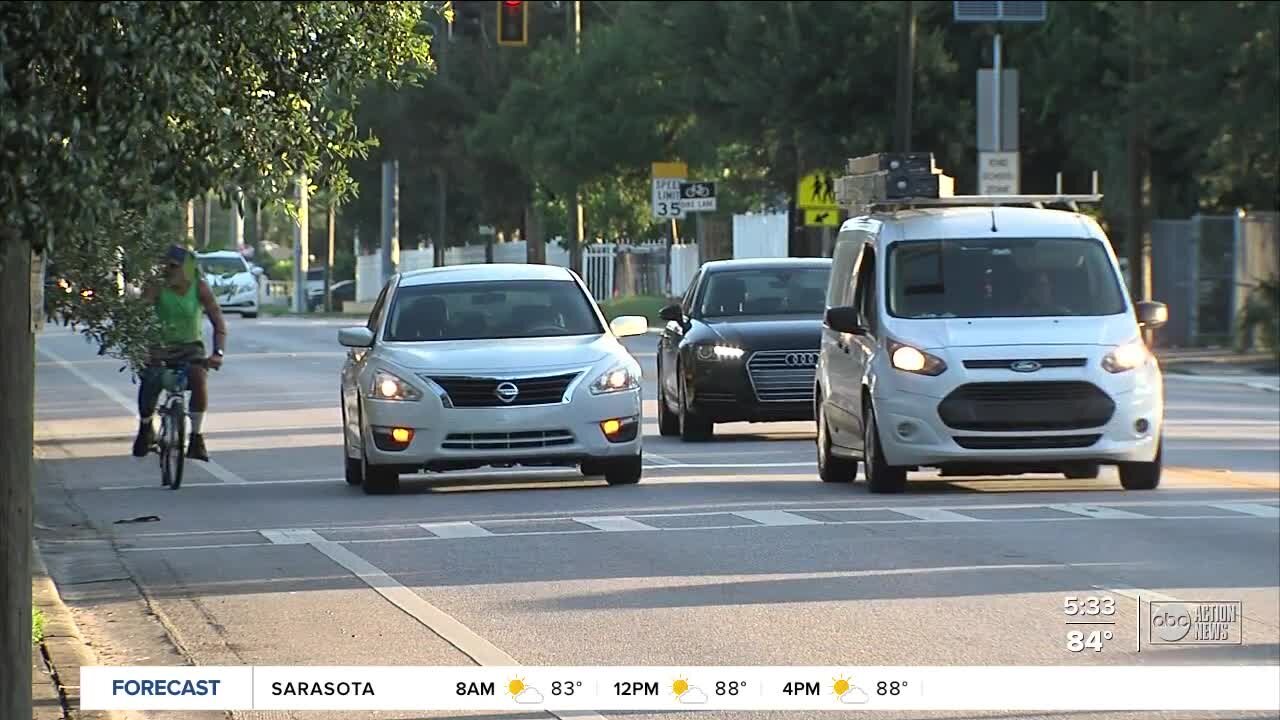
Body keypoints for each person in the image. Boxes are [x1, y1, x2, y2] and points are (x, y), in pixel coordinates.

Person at [131, 245, 227, 464]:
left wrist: (217, 353)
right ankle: (146, 427)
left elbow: (217, 321)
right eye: (166, 267)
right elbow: (136, 317)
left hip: (190, 348)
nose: (168, 271)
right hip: (159, 347)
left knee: (198, 377)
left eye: (174, 267)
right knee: (151, 379)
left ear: (188, 269)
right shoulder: (156, 287)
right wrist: (142, 348)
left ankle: (196, 437)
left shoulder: (199, 288)